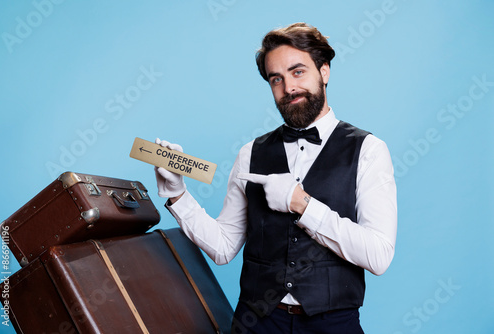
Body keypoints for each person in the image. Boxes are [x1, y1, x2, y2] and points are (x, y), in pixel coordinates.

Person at [154, 22, 397, 334]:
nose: (288, 88)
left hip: (333, 325)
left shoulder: (368, 150)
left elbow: (378, 255)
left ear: (324, 72)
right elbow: (223, 247)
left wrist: (303, 204)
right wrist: (177, 194)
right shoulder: (249, 153)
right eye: (276, 79)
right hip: (257, 322)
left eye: (298, 72)